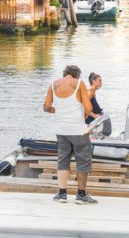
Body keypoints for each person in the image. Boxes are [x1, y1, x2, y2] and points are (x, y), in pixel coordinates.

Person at [43, 64, 97, 205]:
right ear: (76, 75)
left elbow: (46, 107)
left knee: (63, 159)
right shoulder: (79, 83)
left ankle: (62, 194)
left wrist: (58, 111)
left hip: (61, 130)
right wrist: (83, 112)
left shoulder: (53, 84)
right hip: (78, 130)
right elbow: (89, 107)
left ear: (65, 73)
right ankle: (81, 195)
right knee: (83, 160)